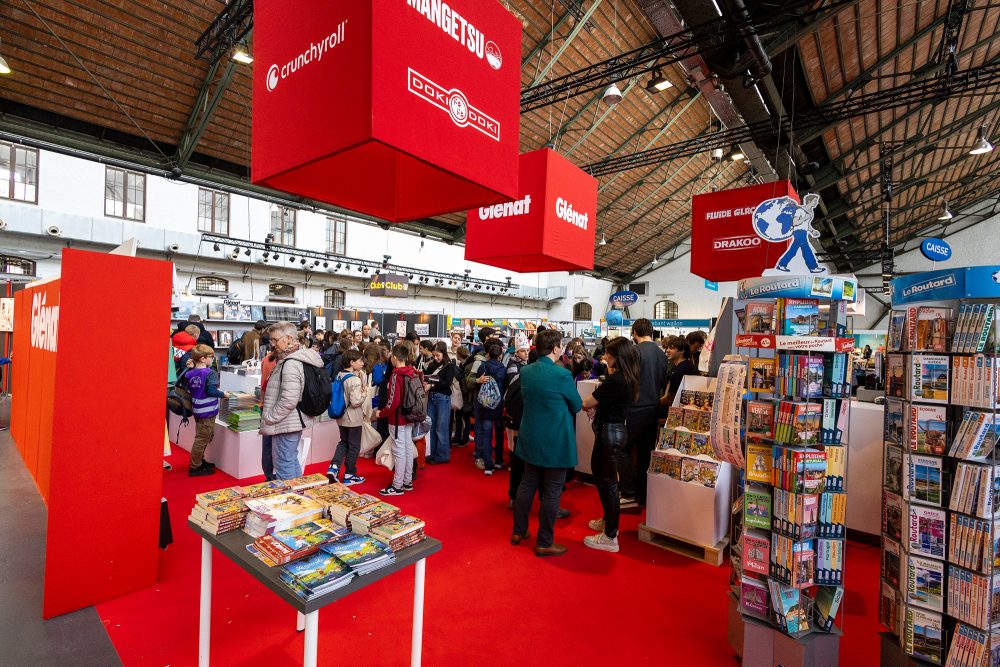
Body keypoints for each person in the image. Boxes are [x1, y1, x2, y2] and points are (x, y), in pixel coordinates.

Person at [512, 329, 582, 557]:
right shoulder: (561, 375)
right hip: (554, 439)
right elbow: (576, 405)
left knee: (527, 483)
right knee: (552, 490)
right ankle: (544, 541)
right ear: (555, 348)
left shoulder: (528, 371)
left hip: (530, 435)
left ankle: (519, 531)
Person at [581, 337, 640, 552]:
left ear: (618, 356)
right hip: (615, 430)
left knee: (607, 482)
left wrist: (586, 403)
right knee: (605, 479)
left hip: (610, 432)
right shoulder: (629, 377)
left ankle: (610, 536)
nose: (604, 357)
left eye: (608, 353)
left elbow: (587, 402)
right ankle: (608, 522)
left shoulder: (617, 380)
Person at [260, 321, 324, 480]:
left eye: (275, 340)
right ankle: (298, 496)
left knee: (284, 463)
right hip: (292, 420)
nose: (272, 344)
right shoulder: (295, 358)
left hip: (286, 422)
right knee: (290, 459)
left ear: (288, 338)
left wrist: (270, 417)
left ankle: (291, 501)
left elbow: (289, 399)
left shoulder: (290, 363)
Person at [621, 318, 668, 507]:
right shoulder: (662, 354)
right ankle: (643, 493)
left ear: (634, 332)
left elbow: (626, 380)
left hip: (634, 408)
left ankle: (628, 492)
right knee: (645, 454)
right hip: (653, 408)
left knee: (623, 450)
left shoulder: (633, 352)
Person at [375, 343, 418, 496]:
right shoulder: (412, 372)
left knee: (399, 450)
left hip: (397, 418)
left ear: (394, 357)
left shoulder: (395, 375)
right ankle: (407, 481)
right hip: (409, 416)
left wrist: (382, 413)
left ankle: (397, 485)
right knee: (406, 448)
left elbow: (393, 401)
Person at [327, 350, 368, 486]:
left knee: (343, 442)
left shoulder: (340, 375)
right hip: (353, 417)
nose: (362, 363)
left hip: (341, 416)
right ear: (351, 362)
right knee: (354, 445)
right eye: (360, 361)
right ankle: (350, 473)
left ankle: (334, 467)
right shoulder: (354, 379)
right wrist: (365, 393)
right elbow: (356, 402)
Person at [185, 344, 226, 476]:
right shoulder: (211, 373)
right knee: (202, 439)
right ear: (203, 359)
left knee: (203, 436)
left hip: (197, 409)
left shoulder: (190, 373)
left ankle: (199, 460)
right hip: (207, 411)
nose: (213, 359)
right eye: (211, 357)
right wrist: (224, 394)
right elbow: (212, 391)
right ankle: (195, 466)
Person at [474, 339, 507, 475]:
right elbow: (505, 387)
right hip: (498, 405)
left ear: (488, 353)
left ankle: (488, 465)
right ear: (500, 355)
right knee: (498, 434)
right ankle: (499, 460)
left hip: (485, 404)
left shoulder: (483, 367)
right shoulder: (503, 369)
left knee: (486, 434)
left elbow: (477, 383)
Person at [424, 341, 457, 464]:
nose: (436, 358)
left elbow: (446, 384)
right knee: (431, 427)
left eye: (438, 355)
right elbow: (427, 377)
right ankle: (431, 453)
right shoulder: (432, 365)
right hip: (432, 397)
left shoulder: (450, 365)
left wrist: (432, 385)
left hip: (443, 398)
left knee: (441, 428)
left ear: (444, 353)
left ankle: (442, 455)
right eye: (434, 355)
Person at [259, 344, 279, 480]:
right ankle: (276, 476)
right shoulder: (283, 361)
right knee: (281, 444)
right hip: (278, 405)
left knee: (267, 444)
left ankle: (268, 475)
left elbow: (263, 383)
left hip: (266, 404)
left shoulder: (266, 359)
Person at [663, 338, 699, 407]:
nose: (667, 350)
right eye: (667, 348)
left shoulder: (680, 371)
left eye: (671, 348)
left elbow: (670, 398)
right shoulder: (689, 365)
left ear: (682, 350)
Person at [452, 346, 472, 447]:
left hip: (466, 395)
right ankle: (458, 436)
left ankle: (465, 437)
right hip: (462, 394)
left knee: (465, 417)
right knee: (460, 416)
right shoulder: (462, 364)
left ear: (458, 355)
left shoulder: (467, 365)